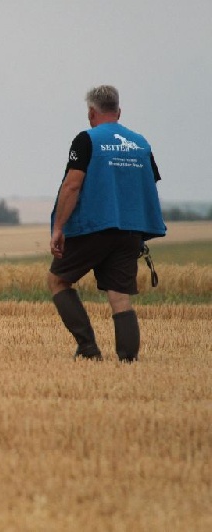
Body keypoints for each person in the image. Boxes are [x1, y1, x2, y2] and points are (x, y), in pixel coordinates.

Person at [48, 85, 166, 362]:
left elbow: (72, 186)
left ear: (91, 113)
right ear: (118, 112)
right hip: (130, 230)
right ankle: (127, 359)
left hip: (95, 226)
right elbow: (149, 182)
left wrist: (59, 228)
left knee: (58, 280)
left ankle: (88, 349)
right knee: (120, 296)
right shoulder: (140, 143)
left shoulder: (86, 140)